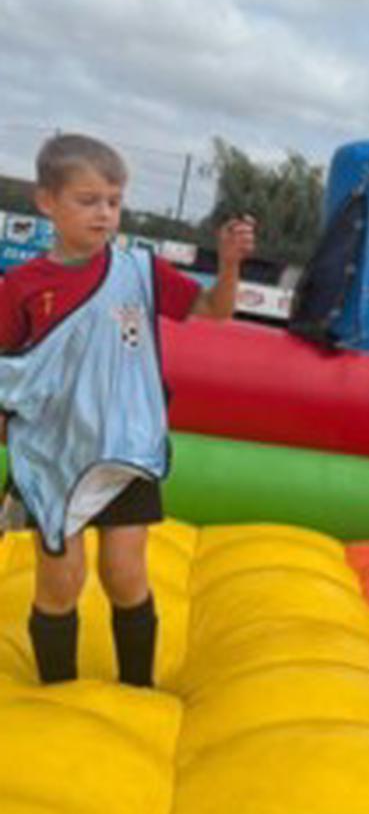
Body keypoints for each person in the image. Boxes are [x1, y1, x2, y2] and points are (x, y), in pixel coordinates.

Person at [0, 133, 255, 687]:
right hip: (52, 455)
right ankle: (56, 695)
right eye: (87, 200)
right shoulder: (21, 287)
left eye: (113, 201)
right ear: (47, 202)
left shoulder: (139, 270)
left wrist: (229, 265)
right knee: (61, 583)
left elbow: (214, 311)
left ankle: (138, 686)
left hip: (124, 448)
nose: (104, 213)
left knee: (124, 573)